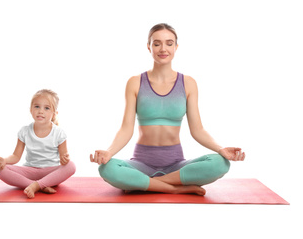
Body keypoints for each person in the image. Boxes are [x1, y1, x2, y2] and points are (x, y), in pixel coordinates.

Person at [90, 23, 245, 195]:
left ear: (176, 47)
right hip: (140, 164)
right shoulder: (135, 82)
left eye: (169, 43)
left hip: (176, 167)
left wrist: (220, 149)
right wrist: (108, 153)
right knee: (107, 168)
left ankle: (147, 184)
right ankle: (175, 189)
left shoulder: (188, 83)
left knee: (220, 163)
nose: (163, 48)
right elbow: (126, 129)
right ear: (149, 47)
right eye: (157, 43)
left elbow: (198, 130)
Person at [0, 89, 76, 198]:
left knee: (71, 166)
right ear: (30, 110)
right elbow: (16, 156)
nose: (41, 111)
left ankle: (37, 185)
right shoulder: (24, 131)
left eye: (46, 108)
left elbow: (64, 159)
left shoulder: (59, 133)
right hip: (30, 171)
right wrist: (4, 160)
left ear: (54, 113)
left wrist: (65, 159)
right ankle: (37, 185)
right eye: (37, 106)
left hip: (50, 172)